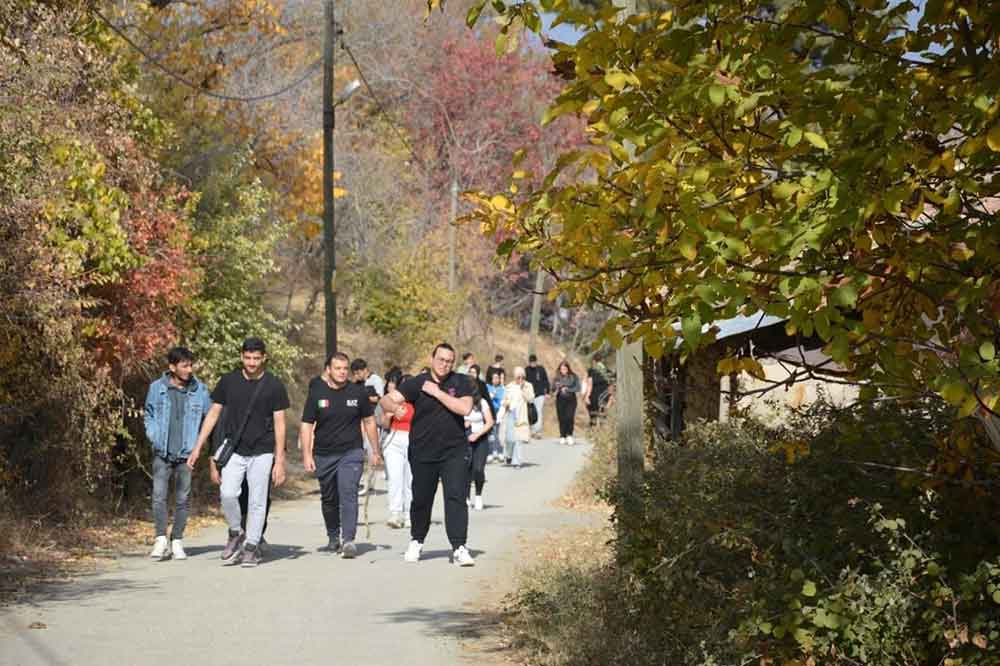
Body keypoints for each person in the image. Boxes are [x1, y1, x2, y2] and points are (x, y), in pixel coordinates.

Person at [188, 337, 290, 568]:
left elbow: (280, 423)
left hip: (263, 450)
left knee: (257, 500)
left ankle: (252, 547)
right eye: (247, 357)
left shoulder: (274, 385)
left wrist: (280, 461)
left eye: (256, 358)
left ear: (264, 358)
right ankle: (236, 531)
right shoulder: (228, 381)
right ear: (241, 357)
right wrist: (198, 447)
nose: (252, 362)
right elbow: (213, 414)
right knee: (228, 494)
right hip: (234, 448)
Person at [380, 342, 476, 566]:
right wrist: (394, 408)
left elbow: (465, 408)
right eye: (441, 359)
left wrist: (438, 393)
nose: (445, 364)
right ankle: (416, 540)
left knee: (455, 496)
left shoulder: (460, 381)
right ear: (432, 359)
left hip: (454, 450)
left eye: (450, 361)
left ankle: (459, 546)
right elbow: (386, 399)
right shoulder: (416, 383)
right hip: (423, 451)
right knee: (421, 498)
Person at [300, 352, 381, 558]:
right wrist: (307, 455)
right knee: (329, 498)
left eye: (345, 369)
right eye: (338, 368)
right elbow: (307, 424)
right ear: (328, 370)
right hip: (324, 454)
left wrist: (375, 451)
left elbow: (369, 421)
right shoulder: (317, 393)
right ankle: (333, 536)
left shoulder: (358, 392)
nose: (342, 372)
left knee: (348, 493)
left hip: (351, 452)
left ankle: (349, 540)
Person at [144, 347, 212, 561]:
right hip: (162, 452)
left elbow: (210, 418)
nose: (189, 369)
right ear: (172, 367)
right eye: (184, 365)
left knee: (183, 499)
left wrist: (198, 446)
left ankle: (177, 540)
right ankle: (161, 539)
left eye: (191, 365)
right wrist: (153, 435)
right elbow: (149, 413)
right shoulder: (157, 388)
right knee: (158, 497)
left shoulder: (200, 390)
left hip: (186, 454)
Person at [381, 369, 413, 529]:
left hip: (413, 440)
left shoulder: (418, 403)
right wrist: (389, 416)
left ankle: (410, 514)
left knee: (411, 480)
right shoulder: (394, 403)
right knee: (394, 478)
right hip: (394, 439)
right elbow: (384, 425)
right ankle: (395, 513)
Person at [497, 367, 535, 468]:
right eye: (518, 376)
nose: (520, 379)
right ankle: (509, 455)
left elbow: (531, 399)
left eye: (522, 376)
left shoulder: (528, 386)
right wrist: (506, 403)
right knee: (509, 439)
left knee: (518, 439)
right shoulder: (509, 386)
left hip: (521, 415)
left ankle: (517, 461)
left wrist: (523, 389)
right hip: (510, 414)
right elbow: (504, 399)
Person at [465, 383, 494, 511]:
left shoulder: (482, 403)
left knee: (478, 469)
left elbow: (490, 422)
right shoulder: (461, 402)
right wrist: (464, 423)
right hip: (464, 438)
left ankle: (478, 495)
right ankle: (466, 497)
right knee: (465, 469)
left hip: (480, 438)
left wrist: (477, 434)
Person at [553, 360, 581, 445]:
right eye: (562, 369)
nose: (563, 370)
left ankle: (569, 435)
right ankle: (562, 435)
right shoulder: (557, 377)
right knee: (562, 418)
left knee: (569, 417)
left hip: (571, 400)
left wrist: (568, 389)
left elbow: (578, 388)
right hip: (560, 400)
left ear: (568, 369)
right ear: (559, 369)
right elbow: (552, 388)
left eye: (565, 368)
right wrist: (556, 388)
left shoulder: (574, 376)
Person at [525, 354, 550, 439]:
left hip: (540, 394)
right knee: (531, 413)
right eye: (531, 362)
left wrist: (547, 392)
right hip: (530, 395)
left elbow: (546, 380)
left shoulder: (541, 369)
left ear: (536, 361)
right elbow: (524, 382)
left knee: (539, 412)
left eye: (534, 362)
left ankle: (538, 431)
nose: (532, 364)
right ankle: (532, 430)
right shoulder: (526, 370)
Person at [486, 371, 505, 463]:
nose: (496, 380)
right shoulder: (487, 387)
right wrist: (491, 395)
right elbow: (487, 398)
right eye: (494, 378)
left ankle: (499, 451)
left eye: (497, 378)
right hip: (489, 411)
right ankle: (490, 452)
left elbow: (502, 400)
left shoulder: (502, 388)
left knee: (497, 433)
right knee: (490, 434)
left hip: (498, 411)